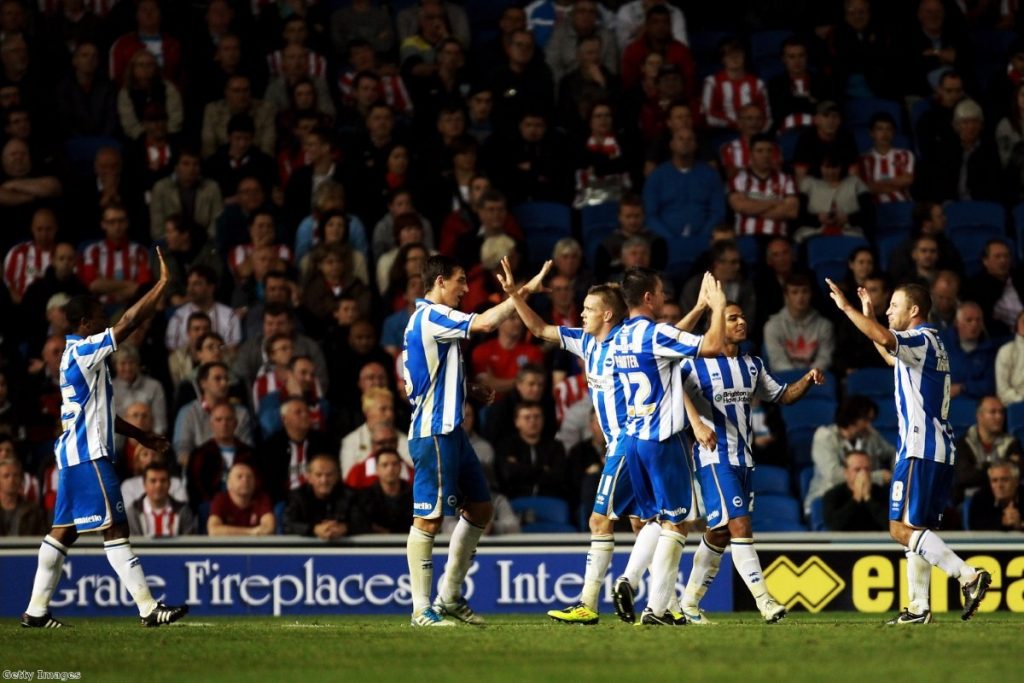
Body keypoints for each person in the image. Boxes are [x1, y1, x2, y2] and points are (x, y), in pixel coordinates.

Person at [21, 250, 189, 628]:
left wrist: (141, 435)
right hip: (89, 457)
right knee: (115, 529)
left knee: (62, 534)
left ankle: (35, 611)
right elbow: (129, 321)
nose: (105, 320)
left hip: (72, 457)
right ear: (83, 324)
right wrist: (161, 284)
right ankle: (149, 608)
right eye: (99, 316)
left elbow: (99, 414)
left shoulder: (78, 356)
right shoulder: (83, 349)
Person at [826, 277, 992, 624]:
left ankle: (969, 576)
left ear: (914, 310)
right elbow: (889, 355)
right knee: (915, 531)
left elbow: (887, 339)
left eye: (894, 306)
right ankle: (918, 608)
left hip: (920, 448)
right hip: (937, 449)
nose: (889, 311)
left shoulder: (919, 338)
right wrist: (871, 318)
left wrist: (848, 310)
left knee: (899, 529)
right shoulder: (930, 344)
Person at [401, 253, 547, 626]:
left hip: (453, 431)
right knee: (428, 520)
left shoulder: (435, 322)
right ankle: (421, 609)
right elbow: (484, 323)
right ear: (439, 283)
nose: (465, 289)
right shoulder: (431, 315)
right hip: (433, 433)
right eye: (460, 280)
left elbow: (430, 375)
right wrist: (520, 292)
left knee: (481, 509)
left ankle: (449, 596)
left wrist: (467, 389)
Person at [679, 302, 824, 623]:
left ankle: (688, 604)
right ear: (715, 325)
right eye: (732, 318)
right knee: (740, 525)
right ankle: (765, 601)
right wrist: (697, 425)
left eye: (743, 316)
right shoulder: (693, 365)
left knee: (719, 534)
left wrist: (807, 379)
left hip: (744, 460)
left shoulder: (752, 365)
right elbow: (669, 387)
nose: (741, 321)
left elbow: (783, 395)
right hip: (714, 458)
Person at [608, 266, 726, 625]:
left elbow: (667, 342)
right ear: (648, 297)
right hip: (663, 440)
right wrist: (718, 308)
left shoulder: (620, 337)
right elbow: (713, 345)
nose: (663, 298)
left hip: (635, 443)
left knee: (657, 520)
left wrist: (699, 308)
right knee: (678, 524)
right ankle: (657, 609)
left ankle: (629, 578)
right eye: (660, 293)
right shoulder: (656, 334)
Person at [803, 395, 896, 514]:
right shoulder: (825, 437)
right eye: (866, 420)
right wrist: (876, 477)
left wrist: (895, 475)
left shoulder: (871, 436)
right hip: (829, 498)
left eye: (871, 421)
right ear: (852, 418)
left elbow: (892, 453)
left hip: (865, 497)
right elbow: (833, 475)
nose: (869, 426)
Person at [954, 396, 1023, 503]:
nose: (999, 416)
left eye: (1001, 412)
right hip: (970, 502)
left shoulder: (1012, 443)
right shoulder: (963, 443)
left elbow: (1017, 474)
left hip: (1004, 501)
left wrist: (980, 468)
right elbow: (964, 477)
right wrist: (1001, 469)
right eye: (993, 412)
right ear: (979, 416)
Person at [762, 273, 835, 372]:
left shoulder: (824, 326)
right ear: (786, 296)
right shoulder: (772, 326)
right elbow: (777, 361)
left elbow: (825, 359)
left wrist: (808, 378)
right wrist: (798, 380)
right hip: (786, 380)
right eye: (794, 292)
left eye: (805, 291)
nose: (800, 297)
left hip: (815, 380)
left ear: (811, 294)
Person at [282, 453, 351, 540]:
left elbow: (363, 522)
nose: (324, 480)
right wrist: (314, 529)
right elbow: (288, 525)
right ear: (309, 477)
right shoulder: (298, 496)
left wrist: (344, 528)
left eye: (329, 475)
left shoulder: (348, 495)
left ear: (337, 476)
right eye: (318, 475)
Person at [349, 448, 413, 534]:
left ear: (400, 467)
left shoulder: (414, 495)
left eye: (394, 464)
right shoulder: (364, 497)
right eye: (385, 465)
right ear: (377, 469)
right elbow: (359, 523)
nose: (390, 469)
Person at [822, 451, 890, 531]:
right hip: (845, 542)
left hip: (879, 542)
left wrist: (868, 499)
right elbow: (834, 526)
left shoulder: (882, 493)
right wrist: (856, 499)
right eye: (857, 470)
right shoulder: (832, 495)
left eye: (867, 469)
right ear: (846, 473)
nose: (863, 474)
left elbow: (891, 525)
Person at [126, 461, 196, 538]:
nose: (158, 485)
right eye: (153, 481)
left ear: (169, 484)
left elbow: (189, 545)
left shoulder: (183, 511)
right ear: (144, 485)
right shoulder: (133, 512)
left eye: (163, 480)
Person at [207, 461, 275, 536]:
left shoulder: (262, 498)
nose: (245, 480)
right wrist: (251, 532)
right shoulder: (220, 499)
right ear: (229, 484)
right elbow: (213, 530)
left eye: (249, 477)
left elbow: (269, 528)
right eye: (239, 477)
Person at [967, 459, 1023, 531]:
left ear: (1016, 482)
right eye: (994, 481)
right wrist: (1002, 521)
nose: (999, 485)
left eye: (1005, 480)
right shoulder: (980, 498)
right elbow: (975, 527)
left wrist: (1020, 525)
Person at [0, 457, 44, 537]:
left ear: (21, 479)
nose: (11, 480)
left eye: (16, 475)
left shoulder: (33, 511)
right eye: (6, 476)